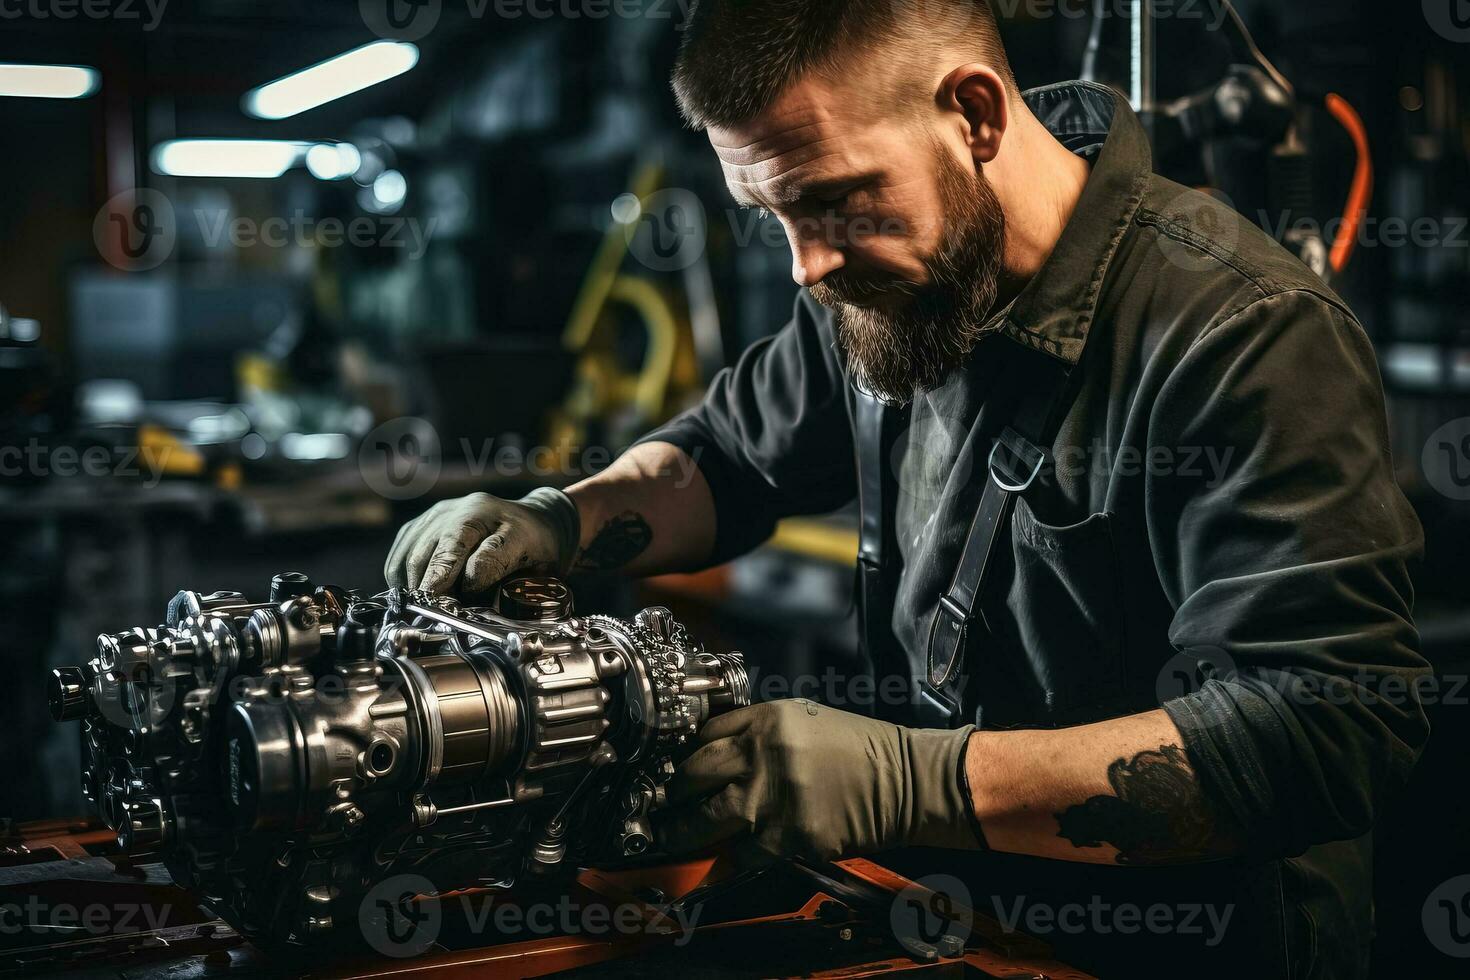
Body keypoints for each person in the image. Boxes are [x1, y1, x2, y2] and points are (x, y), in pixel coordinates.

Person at [384, 2, 1428, 975]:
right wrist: (560, 517)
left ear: (974, 112)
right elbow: (727, 457)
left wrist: (909, 781)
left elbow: (1320, 730)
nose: (805, 265)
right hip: (967, 911)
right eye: (772, 212)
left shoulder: (1240, 332)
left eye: (833, 198)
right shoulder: (880, 282)